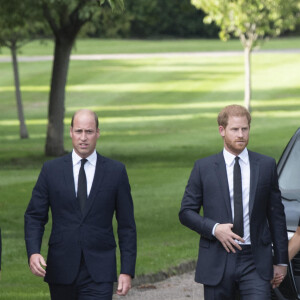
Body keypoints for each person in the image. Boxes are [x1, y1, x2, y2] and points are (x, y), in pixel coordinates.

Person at [25, 109, 137, 300]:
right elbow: (35, 216)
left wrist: (127, 270)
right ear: (70, 132)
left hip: (99, 271)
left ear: (98, 133)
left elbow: (127, 226)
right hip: (61, 268)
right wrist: (34, 252)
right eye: (78, 131)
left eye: (89, 131)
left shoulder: (115, 172)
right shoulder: (51, 170)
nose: (83, 138)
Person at [179, 104, 288, 299]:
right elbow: (186, 212)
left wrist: (281, 261)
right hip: (217, 258)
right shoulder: (203, 168)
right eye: (235, 129)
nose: (240, 135)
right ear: (222, 130)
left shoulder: (265, 165)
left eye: (244, 129)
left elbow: (276, 216)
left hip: (255, 260)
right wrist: (215, 229)